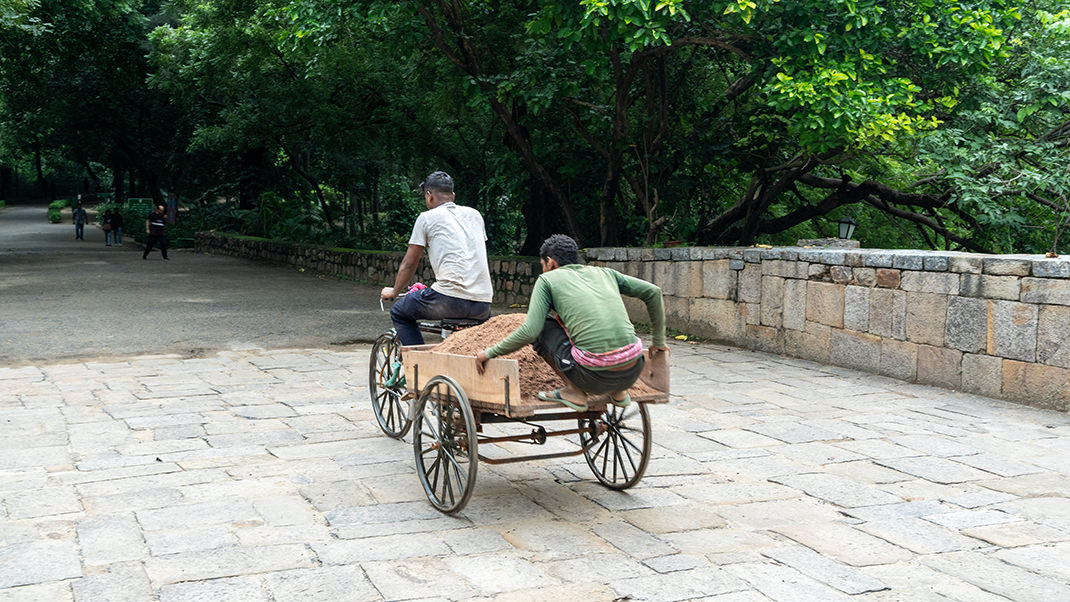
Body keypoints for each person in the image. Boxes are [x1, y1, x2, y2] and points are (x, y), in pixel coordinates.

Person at [475, 234, 668, 411]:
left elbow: (530, 331)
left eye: (543, 264)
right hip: (633, 370)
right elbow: (653, 292)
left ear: (549, 262)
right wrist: (658, 342)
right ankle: (618, 392)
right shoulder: (606, 273)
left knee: (542, 325)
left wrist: (489, 352)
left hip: (592, 377)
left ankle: (574, 390)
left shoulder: (548, 279)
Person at [380, 171, 492, 345]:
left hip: (448, 300)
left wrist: (394, 292)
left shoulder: (426, 218)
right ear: (452, 196)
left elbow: (409, 263)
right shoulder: (475, 215)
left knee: (399, 312)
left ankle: (417, 364)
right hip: (483, 304)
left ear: (429, 196)